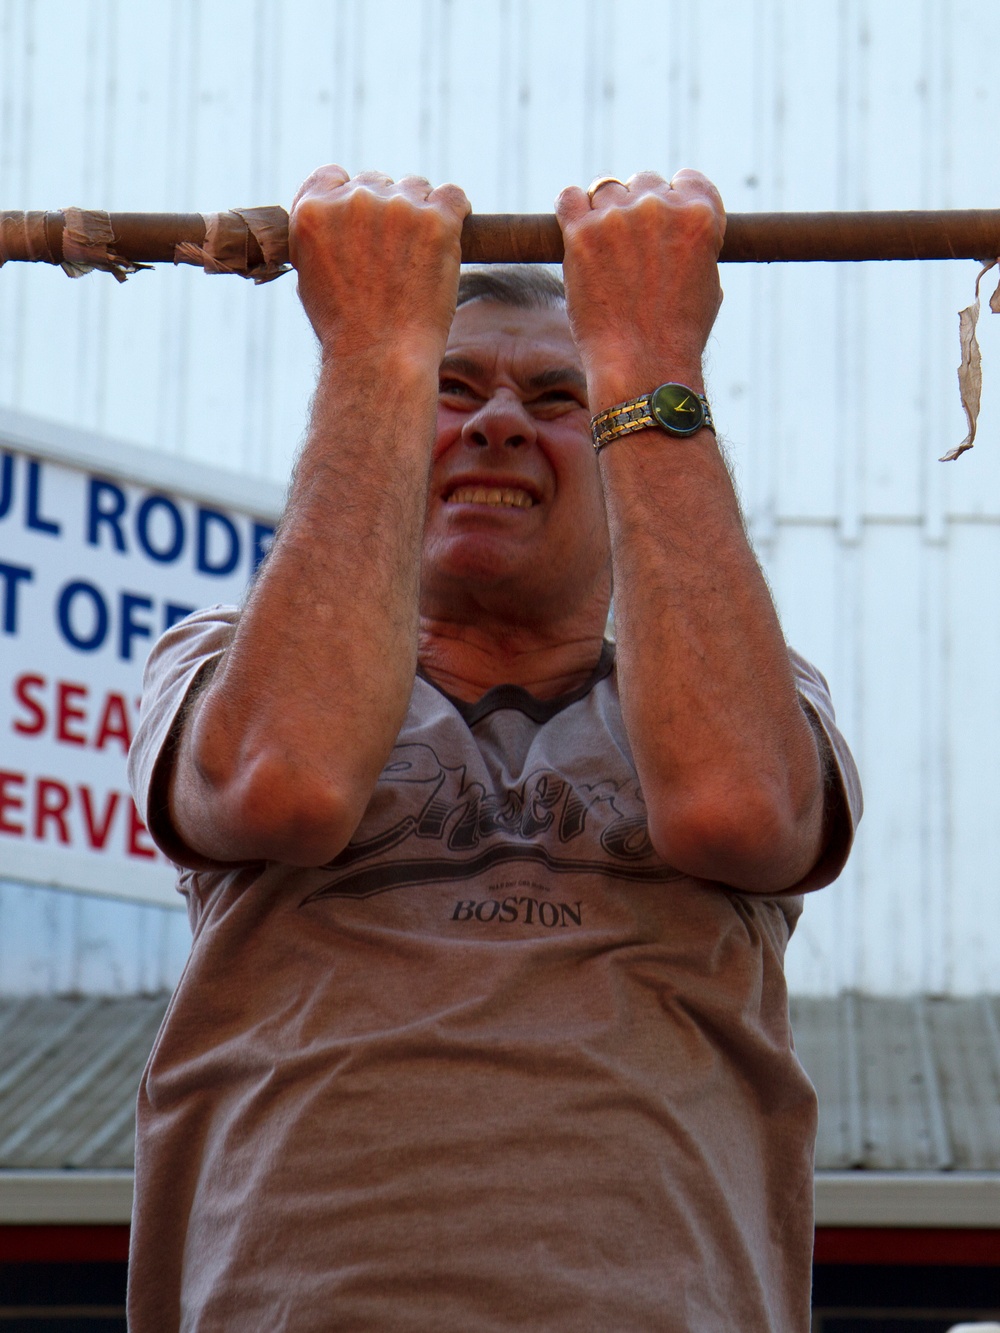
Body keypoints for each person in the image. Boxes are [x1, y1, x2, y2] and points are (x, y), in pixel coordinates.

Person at [127, 165, 861, 1332]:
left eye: (559, 398)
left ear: (625, 456)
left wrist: (651, 357)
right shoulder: (218, 667)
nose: (500, 422)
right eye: (453, 389)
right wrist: (374, 355)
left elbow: (736, 809)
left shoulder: (745, 695)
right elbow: (286, 783)